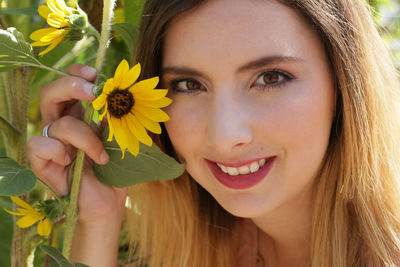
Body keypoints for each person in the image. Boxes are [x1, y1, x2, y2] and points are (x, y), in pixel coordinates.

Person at [27, 0, 400, 266]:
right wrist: (99, 219)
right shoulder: (183, 245)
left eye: (270, 78)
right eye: (189, 85)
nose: (224, 136)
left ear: (346, 85)